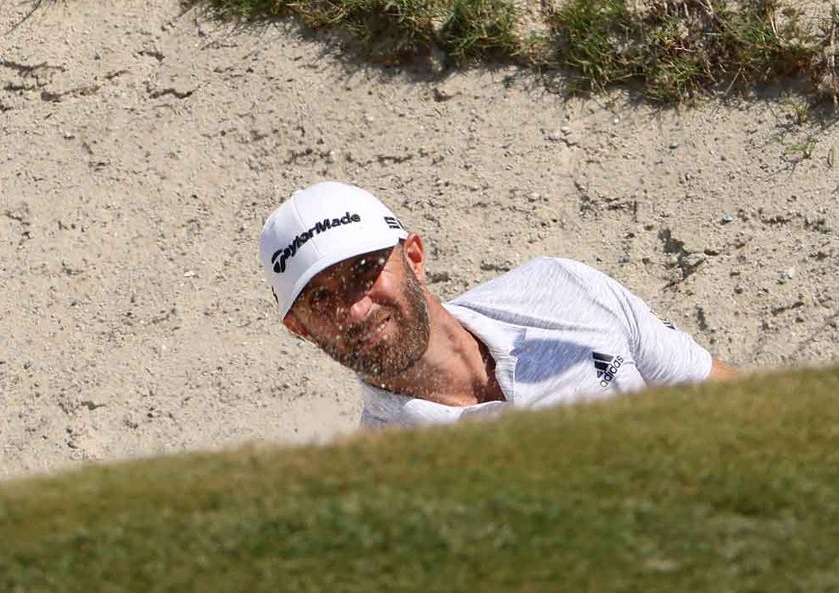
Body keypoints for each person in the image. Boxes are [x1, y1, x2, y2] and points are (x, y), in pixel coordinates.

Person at [259, 180, 735, 427]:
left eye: (366, 269)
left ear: (414, 258)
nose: (356, 309)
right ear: (300, 328)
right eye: (321, 298)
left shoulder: (564, 291)